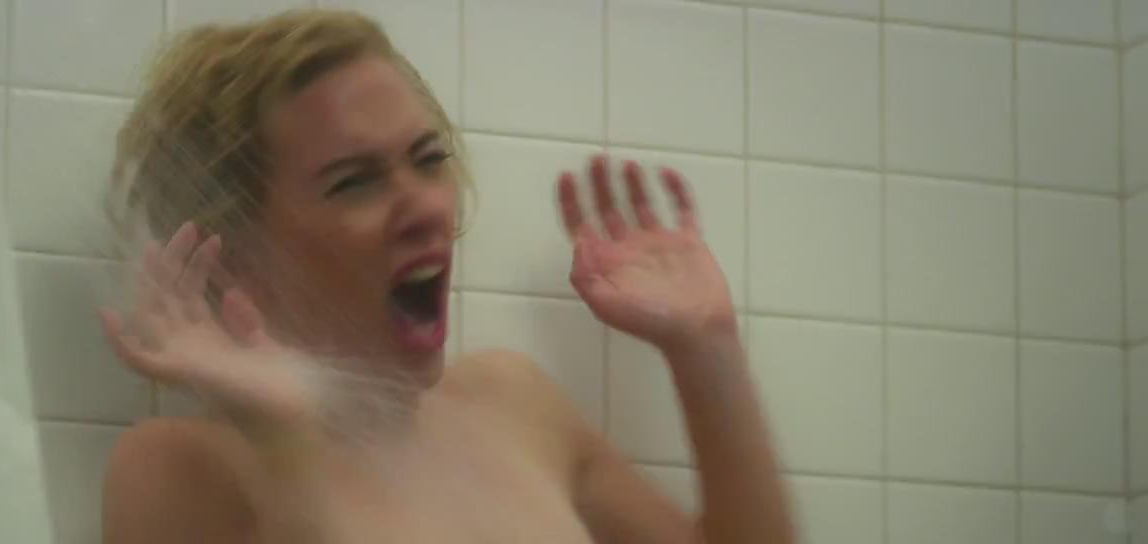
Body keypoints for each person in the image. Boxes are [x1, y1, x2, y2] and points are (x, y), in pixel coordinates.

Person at [97, 9, 794, 544]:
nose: (427, 206)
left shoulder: (513, 403)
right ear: (238, 253)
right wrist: (286, 445)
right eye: (354, 182)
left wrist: (707, 347)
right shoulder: (183, 464)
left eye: (429, 159)